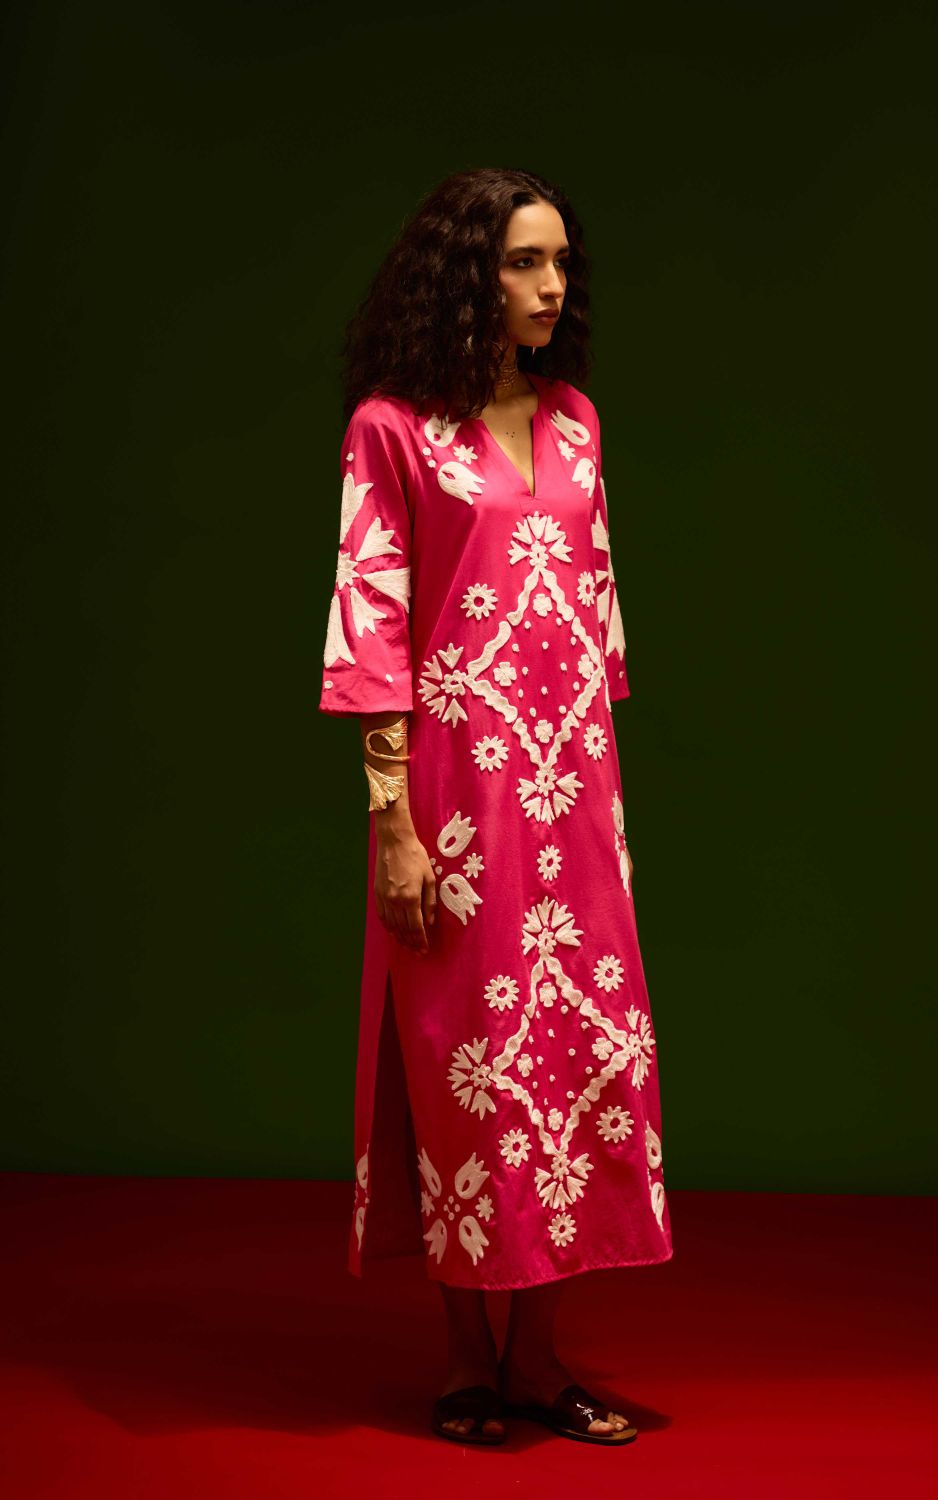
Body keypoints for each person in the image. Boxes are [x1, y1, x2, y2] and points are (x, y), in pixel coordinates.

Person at [318, 167, 673, 1447]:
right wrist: (393, 824)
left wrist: (598, 805)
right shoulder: (392, 429)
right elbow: (370, 624)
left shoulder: (575, 422)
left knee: (573, 1051)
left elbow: (595, 616)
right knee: (467, 1062)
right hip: (456, 794)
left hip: (574, 791)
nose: (551, 285)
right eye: (525, 261)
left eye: (561, 261)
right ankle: (468, 1364)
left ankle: (539, 1361)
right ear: (466, 274)